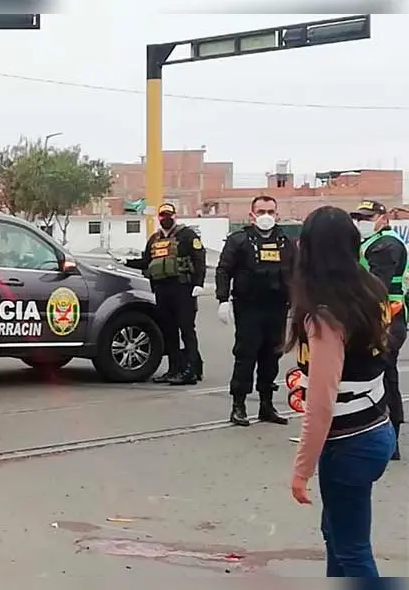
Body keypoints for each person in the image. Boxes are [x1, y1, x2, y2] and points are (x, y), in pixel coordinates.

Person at [287, 205, 397, 578]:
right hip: (376, 429)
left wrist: (301, 470)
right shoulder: (371, 290)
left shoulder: (325, 314)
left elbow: (321, 404)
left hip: (349, 442)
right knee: (337, 535)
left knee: (351, 550)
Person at [216, 195, 293, 427]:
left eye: (270, 211)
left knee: (272, 357)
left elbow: (297, 273)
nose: (266, 216)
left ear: (277, 214)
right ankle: (238, 406)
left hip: (278, 307)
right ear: (252, 215)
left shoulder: (286, 242)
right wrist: (223, 299)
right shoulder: (239, 241)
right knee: (246, 355)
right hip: (249, 307)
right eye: (261, 212)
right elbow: (224, 270)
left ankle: (266, 406)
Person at [125, 203, 206, 385]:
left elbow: (199, 258)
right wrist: (127, 262)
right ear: (159, 218)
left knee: (186, 329)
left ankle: (192, 370)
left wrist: (198, 284)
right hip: (162, 289)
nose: (165, 218)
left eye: (169, 215)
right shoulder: (154, 239)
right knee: (169, 331)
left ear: (175, 216)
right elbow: (147, 261)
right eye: (162, 215)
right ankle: (174, 369)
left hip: (183, 288)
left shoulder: (187, 235)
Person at [351, 200, 406, 460]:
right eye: (360, 217)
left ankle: (391, 437)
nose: (363, 222)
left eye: (368, 217)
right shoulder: (372, 243)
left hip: (389, 319)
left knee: (384, 375)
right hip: (377, 317)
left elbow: (376, 286)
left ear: (383, 218)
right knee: (376, 374)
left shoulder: (386, 246)